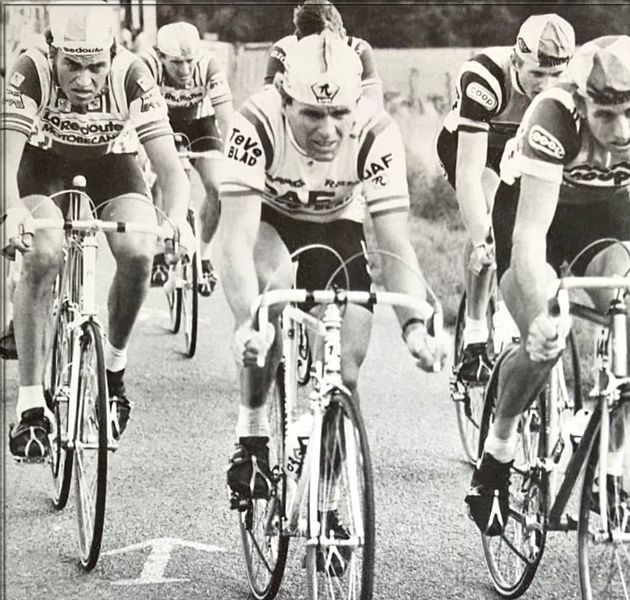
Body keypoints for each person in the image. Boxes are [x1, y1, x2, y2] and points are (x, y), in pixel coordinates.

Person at [465, 35, 630, 535]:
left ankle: (608, 475)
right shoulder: (553, 115)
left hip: (601, 212)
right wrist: (542, 314)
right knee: (543, 342)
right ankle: (496, 456)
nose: (621, 130)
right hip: (531, 209)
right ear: (582, 101)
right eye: (605, 116)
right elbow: (528, 237)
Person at [219, 33, 445, 506]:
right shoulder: (254, 122)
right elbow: (236, 239)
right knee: (272, 296)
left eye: (340, 113)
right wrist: (247, 322)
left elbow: (393, 239)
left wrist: (415, 327)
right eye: (312, 114)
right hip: (270, 219)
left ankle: (324, 502)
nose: (327, 130)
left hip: (335, 224)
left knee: (345, 371)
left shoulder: (377, 131)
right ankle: (252, 436)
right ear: (284, 101)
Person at [2, 4, 192, 459]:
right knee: (43, 253)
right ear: (53, 54)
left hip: (111, 163)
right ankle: (31, 408)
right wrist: (12, 212)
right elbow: (6, 162)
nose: (84, 80)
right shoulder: (30, 69)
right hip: (42, 165)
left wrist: (180, 218)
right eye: (72, 65)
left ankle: (114, 368)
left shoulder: (133, 75)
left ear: (113, 53)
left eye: (95, 66)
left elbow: (171, 172)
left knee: (140, 250)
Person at [436, 14, 575, 383]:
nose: (548, 87)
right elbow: (468, 171)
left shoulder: (573, 87)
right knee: (488, 211)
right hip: (473, 147)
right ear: (516, 62)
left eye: (556, 76)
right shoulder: (485, 77)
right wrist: (482, 235)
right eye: (537, 75)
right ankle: (476, 332)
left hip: (522, 148)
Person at [142, 21, 234, 296]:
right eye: (176, 63)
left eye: (189, 61)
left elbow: (227, 120)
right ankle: (160, 250)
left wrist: (232, 157)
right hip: (161, 123)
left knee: (217, 188)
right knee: (160, 180)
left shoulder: (209, 65)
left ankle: (203, 257)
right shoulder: (147, 65)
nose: (184, 71)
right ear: (160, 56)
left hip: (200, 123)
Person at [264, 0, 383, 107]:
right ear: (300, 40)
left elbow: (373, 106)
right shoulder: (284, 50)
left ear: (342, 34)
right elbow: (268, 106)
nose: (326, 51)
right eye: (316, 46)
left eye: (331, 43)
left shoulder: (358, 49)